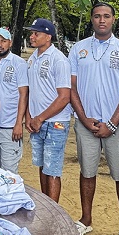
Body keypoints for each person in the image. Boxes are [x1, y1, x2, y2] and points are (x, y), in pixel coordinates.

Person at [69, 3, 119, 235]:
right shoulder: (78, 49)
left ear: (113, 20)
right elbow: (72, 88)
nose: (101, 20)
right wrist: (84, 117)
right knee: (87, 172)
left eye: (106, 16)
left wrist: (112, 123)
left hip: (116, 125)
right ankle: (86, 219)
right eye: (97, 16)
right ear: (91, 19)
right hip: (85, 122)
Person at [24, 18, 71, 202]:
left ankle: (54, 214)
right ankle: (46, 205)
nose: (32, 36)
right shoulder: (33, 58)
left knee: (52, 170)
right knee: (42, 166)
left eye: (36, 33)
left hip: (55, 123)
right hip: (37, 122)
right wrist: (29, 116)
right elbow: (31, 91)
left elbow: (64, 97)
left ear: (48, 37)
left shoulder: (58, 60)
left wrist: (40, 118)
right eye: (31, 33)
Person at [0, 27, 28, 174]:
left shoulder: (18, 63)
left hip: (10, 126)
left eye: (3, 41)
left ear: (9, 43)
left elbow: (23, 95)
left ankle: (12, 197)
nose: (0, 44)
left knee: (9, 171)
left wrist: (19, 123)